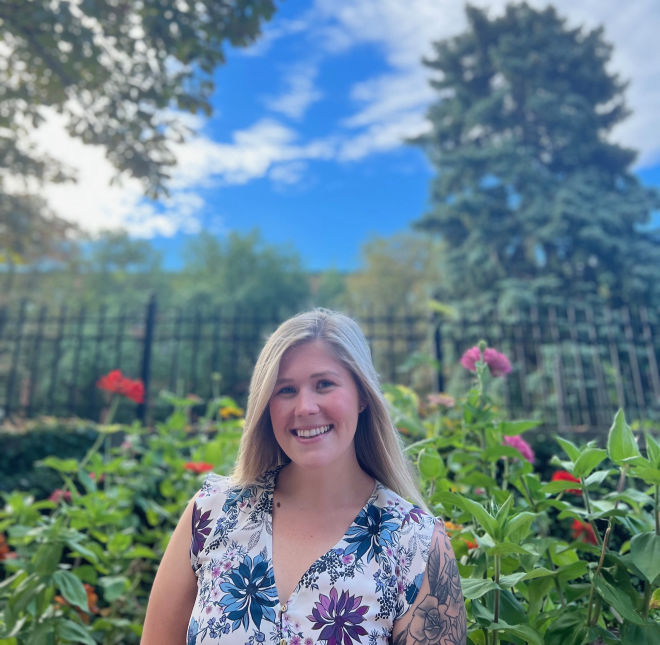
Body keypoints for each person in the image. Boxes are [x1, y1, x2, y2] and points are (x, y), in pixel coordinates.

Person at [142, 309, 466, 645]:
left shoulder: (415, 544)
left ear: (363, 396)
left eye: (324, 384)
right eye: (286, 390)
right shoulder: (211, 515)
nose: (305, 407)